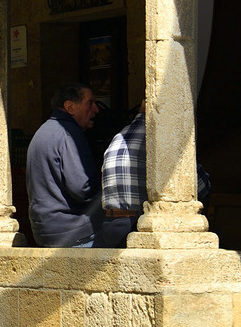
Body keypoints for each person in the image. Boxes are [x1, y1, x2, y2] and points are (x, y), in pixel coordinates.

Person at [94, 105, 211, 248]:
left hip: (110, 225)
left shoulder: (120, 136)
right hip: (134, 224)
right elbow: (200, 185)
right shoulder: (161, 138)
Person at [25, 83, 102, 247]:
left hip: (45, 229)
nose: (96, 109)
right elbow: (82, 188)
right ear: (70, 107)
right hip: (71, 230)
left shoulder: (44, 130)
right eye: (90, 103)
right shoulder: (68, 133)